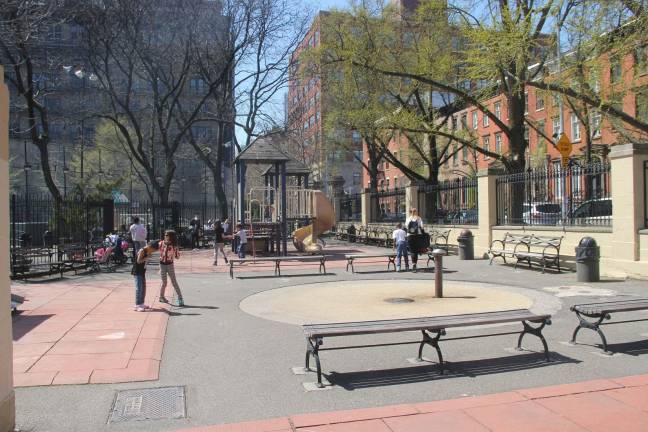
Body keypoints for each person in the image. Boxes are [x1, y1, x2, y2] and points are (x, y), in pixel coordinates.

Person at [158, 230, 184, 307]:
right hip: (162, 264)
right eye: (165, 235)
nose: (165, 236)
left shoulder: (174, 246)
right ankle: (161, 297)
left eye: (167, 235)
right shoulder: (161, 243)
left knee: (174, 282)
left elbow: (177, 257)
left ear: (171, 237)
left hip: (170, 265)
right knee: (164, 282)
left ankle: (180, 298)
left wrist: (176, 251)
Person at [132, 240, 159, 312]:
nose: (153, 252)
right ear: (150, 247)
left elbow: (144, 262)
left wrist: (148, 256)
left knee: (143, 288)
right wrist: (146, 258)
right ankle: (137, 305)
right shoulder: (142, 250)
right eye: (153, 250)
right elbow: (138, 261)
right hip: (137, 272)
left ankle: (141, 303)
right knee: (139, 288)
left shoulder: (147, 251)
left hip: (142, 272)